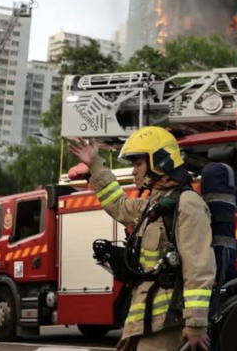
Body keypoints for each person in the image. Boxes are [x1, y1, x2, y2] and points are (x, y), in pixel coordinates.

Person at [70, 126, 216, 351]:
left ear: (160, 162)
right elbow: (117, 204)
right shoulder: (153, 206)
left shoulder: (187, 204)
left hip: (168, 325)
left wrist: (196, 324)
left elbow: (198, 268)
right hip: (144, 322)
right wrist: (95, 164)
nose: (133, 172)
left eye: (138, 164)